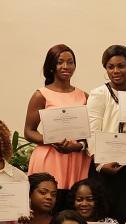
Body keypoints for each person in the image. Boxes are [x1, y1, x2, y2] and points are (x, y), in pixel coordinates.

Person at [23, 44, 91, 198]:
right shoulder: (41, 95)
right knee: (49, 205)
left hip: (76, 158)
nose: (65, 66)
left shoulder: (84, 96)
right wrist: (52, 141)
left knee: (73, 206)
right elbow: (29, 131)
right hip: (50, 157)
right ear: (52, 65)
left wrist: (77, 146)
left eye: (70, 62)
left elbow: (90, 133)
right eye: (60, 62)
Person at [87, 44, 126, 224]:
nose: (116, 71)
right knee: (105, 216)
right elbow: (92, 129)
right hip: (105, 164)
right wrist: (100, 164)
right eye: (110, 67)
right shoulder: (99, 93)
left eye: (121, 66)